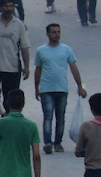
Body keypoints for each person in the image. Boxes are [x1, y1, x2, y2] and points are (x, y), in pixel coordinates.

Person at [34, 23, 86, 154]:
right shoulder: (41, 51)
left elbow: (74, 68)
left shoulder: (66, 49)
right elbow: (38, 70)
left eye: (58, 32)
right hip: (46, 89)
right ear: (47, 34)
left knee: (60, 117)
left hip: (62, 89)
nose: (56, 34)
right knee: (48, 117)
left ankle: (58, 143)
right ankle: (47, 143)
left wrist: (80, 86)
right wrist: (36, 87)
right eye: (53, 32)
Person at [0, 0, 31, 96]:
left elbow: (24, 47)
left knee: (10, 100)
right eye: (6, 6)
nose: (9, 9)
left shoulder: (19, 25)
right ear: (1, 7)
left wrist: (26, 67)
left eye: (11, 6)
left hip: (13, 69)